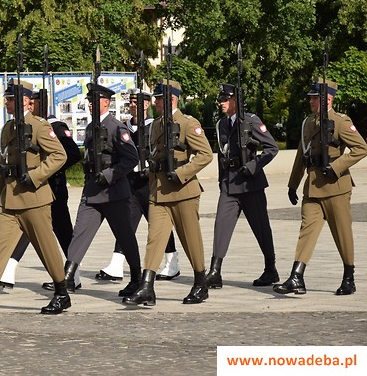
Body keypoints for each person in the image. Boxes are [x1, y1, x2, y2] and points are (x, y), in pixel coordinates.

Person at [0, 79, 69, 316]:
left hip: (34, 199)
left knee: (46, 247)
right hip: (9, 200)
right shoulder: (8, 128)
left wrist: (36, 175)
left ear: (26, 101)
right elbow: (5, 165)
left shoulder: (39, 126)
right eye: (7, 99)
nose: (6, 103)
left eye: (10, 99)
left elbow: (59, 156)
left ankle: (62, 293)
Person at [45, 82, 142, 298]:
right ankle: (67, 280)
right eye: (89, 101)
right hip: (92, 191)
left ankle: (137, 279)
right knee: (80, 234)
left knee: (125, 237)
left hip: (114, 193)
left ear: (106, 103)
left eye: (94, 101)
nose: (90, 104)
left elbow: (131, 158)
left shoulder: (117, 127)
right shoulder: (91, 127)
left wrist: (109, 175)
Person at [274, 78, 367, 296]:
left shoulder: (341, 122)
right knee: (306, 231)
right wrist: (293, 184)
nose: (310, 101)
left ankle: (349, 277)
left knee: (342, 233)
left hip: (336, 187)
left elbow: (361, 148)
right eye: (310, 98)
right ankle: (296, 277)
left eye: (315, 98)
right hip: (313, 187)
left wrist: (336, 167)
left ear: (328, 99)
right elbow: (301, 155)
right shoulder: (307, 122)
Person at [123, 80, 213, 306]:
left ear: (171, 99)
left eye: (159, 99)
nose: (155, 102)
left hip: (183, 191)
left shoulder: (188, 123)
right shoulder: (156, 124)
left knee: (190, 239)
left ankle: (200, 283)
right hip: (159, 192)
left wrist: (182, 173)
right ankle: (147, 287)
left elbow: (205, 154)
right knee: (154, 239)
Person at [95, 88, 182, 283]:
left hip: (149, 182)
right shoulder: (125, 127)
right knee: (126, 224)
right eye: (131, 102)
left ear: (146, 104)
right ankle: (116, 264)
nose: (133, 105)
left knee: (158, 225)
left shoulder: (154, 125)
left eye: (137, 102)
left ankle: (172, 262)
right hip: (130, 182)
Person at [0, 90, 82, 289]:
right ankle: (8, 270)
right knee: (23, 229)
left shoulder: (55, 127)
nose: (31, 106)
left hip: (53, 186)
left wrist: (46, 171)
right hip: (31, 188)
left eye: (34, 102)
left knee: (62, 232)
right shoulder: (21, 127)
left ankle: (73, 275)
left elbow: (71, 154)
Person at [205, 84, 280, 289]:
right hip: (229, 184)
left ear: (235, 101)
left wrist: (253, 166)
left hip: (251, 183)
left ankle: (271, 269)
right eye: (220, 99)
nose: (221, 102)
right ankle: (215, 271)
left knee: (261, 227)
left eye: (225, 99)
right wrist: (221, 181)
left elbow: (272, 148)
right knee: (221, 225)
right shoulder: (221, 124)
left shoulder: (251, 121)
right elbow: (222, 155)